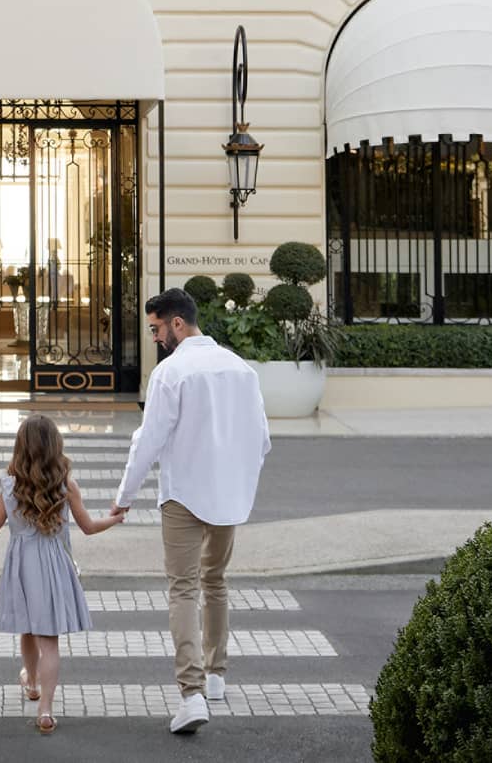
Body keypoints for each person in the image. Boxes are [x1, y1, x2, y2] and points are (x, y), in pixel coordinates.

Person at [110, 287, 271, 735]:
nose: (156, 337)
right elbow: (262, 440)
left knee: (183, 588)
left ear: (177, 323)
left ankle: (192, 693)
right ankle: (216, 674)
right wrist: (240, 479)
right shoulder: (241, 369)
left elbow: (149, 440)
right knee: (215, 580)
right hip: (229, 494)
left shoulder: (171, 372)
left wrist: (124, 496)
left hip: (183, 494)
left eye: (157, 328)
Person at [0, 414, 125, 734]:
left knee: (27, 629)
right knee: (50, 641)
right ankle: (45, 709)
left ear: (20, 447)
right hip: (54, 563)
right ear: (55, 447)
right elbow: (87, 527)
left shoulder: (10, 485)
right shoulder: (66, 484)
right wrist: (113, 519)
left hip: (21, 563)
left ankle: (31, 682)